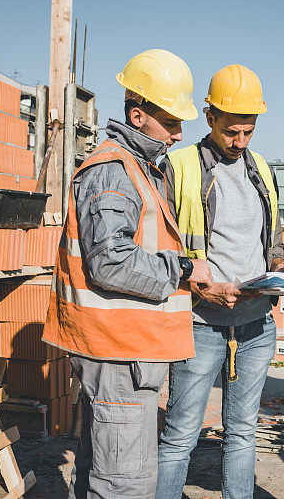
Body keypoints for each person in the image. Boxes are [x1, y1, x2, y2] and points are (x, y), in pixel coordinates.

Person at [42, 49, 212, 499]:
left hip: (125, 352)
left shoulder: (139, 169)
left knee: (105, 470)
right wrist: (187, 270)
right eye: (171, 122)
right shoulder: (115, 172)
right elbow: (110, 260)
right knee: (125, 485)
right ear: (138, 116)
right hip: (118, 353)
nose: (179, 134)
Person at [156, 64, 284, 499]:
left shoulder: (262, 169)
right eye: (232, 131)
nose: (241, 142)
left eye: (249, 132)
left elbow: (272, 241)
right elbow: (160, 245)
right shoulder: (179, 167)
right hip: (201, 323)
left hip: (255, 325)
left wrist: (279, 270)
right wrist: (199, 286)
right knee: (180, 435)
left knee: (243, 432)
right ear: (209, 118)